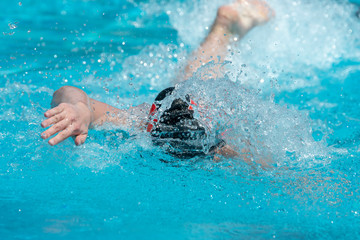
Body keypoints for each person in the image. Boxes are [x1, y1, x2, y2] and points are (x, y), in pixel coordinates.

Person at [41, 0, 274, 161]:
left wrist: (82, 109)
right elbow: (68, 92)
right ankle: (225, 27)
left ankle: (225, 27)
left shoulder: (223, 146)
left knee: (195, 79)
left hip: (213, 130)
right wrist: (79, 108)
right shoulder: (140, 122)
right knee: (194, 79)